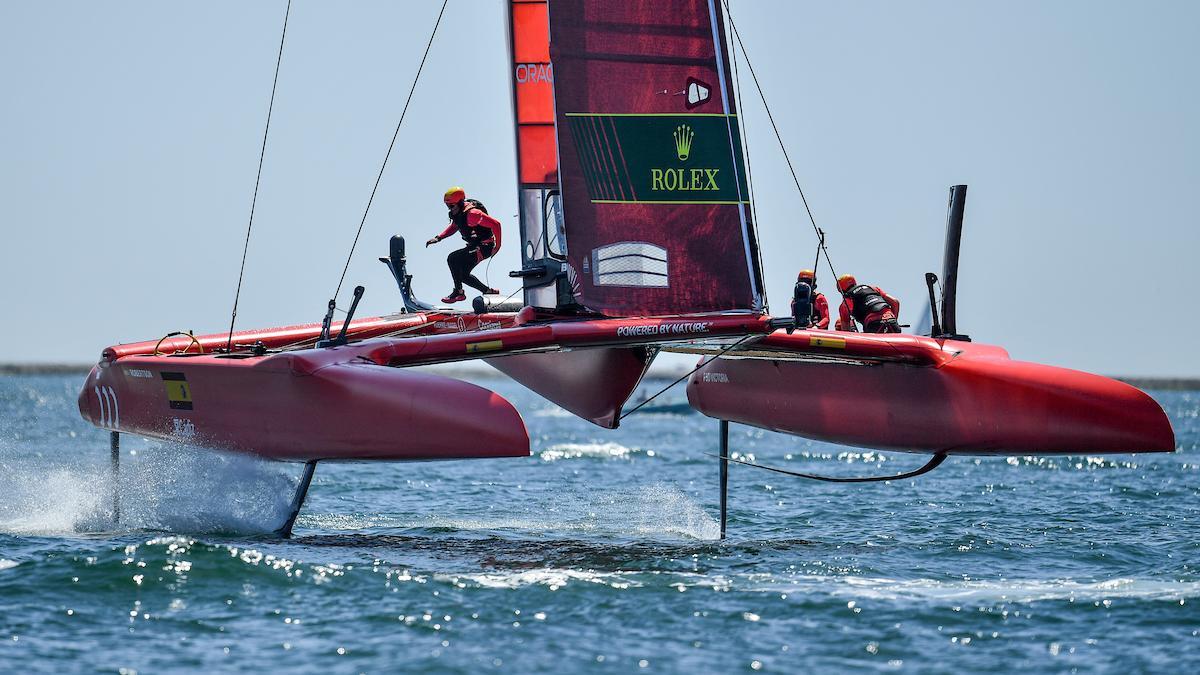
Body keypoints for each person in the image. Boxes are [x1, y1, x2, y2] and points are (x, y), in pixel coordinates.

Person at [426, 186, 502, 303]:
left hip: (484, 247)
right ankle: (487, 291)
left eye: (452, 206)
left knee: (452, 258)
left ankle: (458, 292)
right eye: (447, 206)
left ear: (460, 203)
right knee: (462, 275)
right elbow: (454, 226)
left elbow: (496, 224)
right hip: (476, 247)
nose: (450, 209)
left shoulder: (473, 214)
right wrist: (438, 238)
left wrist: (497, 246)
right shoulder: (458, 213)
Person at [835, 274, 901, 333]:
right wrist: (894, 320)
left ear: (842, 290)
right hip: (892, 322)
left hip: (874, 326)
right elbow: (895, 302)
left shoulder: (845, 303)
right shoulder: (873, 289)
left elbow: (845, 331)